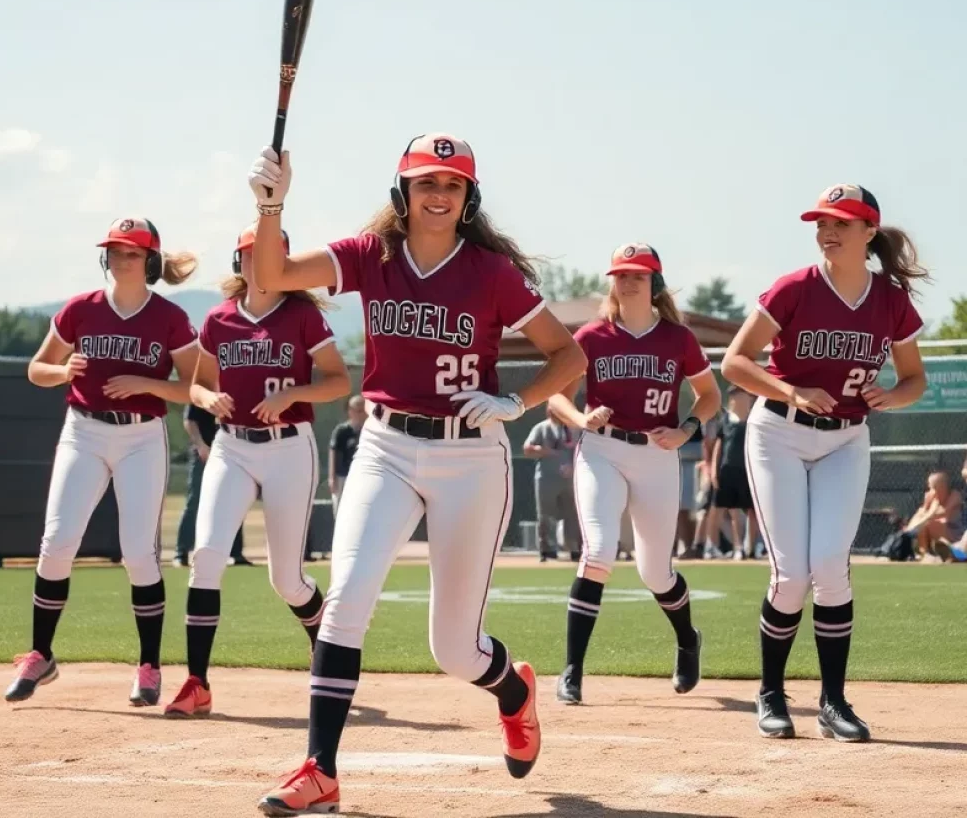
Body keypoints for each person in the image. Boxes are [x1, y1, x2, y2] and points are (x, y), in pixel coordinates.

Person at [246, 134, 586, 815]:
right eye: (426, 182)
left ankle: (514, 694)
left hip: (470, 457)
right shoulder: (371, 256)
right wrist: (273, 206)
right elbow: (270, 278)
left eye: (453, 185)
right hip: (387, 447)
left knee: (455, 649)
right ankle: (322, 769)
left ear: (469, 199)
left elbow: (568, 355)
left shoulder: (489, 272)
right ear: (402, 191)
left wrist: (515, 402)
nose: (439, 195)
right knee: (345, 602)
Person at [722, 184, 927, 742]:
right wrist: (791, 391)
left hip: (846, 439)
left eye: (841, 221)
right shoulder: (795, 287)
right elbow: (736, 363)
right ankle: (770, 692)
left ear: (869, 232)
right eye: (820, 222)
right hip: (779, 435)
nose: (827, 230)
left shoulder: (890, 299)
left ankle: (834, 702)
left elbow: (915, 379)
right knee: (792, 574)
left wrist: (896, 395)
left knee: (831, 564)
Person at [5, 218, 200, 707]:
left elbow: (198, 387)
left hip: (140, 436)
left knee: (138, 551)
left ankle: (150, 665)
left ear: (150, 262)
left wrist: (149, 384)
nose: (120, 258)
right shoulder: (81, 309)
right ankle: (40, 654)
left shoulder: (170, 318)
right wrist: (62, 369)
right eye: (114, 249)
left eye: (132, 252)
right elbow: (37, 370)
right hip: (84, 430)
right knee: (57, 541)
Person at [163, 225, 350, 718]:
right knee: (205, 555)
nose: (260, 262)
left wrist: (293, 394)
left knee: (287, 580)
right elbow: (197, 388)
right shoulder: (220, 318)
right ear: (239, 261)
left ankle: (323, 643)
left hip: (289, 448)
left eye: (270, 255)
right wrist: (208, 398)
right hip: (233, 446)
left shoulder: (303, 314)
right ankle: (197, 682)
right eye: (251, 254)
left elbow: (338, 380)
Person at [548, 243, 722, 706]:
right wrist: (581, 419)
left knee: (656, 571)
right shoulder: (592, 336)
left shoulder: (677, 338)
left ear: (655, 284)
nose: (627, 282)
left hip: (656, 452)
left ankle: (687, 640)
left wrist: (687, 429)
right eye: (621, 274)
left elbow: (709, 395)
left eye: (638, 275)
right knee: (599, 550)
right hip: (603, 448)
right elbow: (556, 397)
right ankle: (573, 671)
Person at [174, 402, 249, 568]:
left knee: (235, 501)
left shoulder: (234, 387)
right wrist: (201, 446)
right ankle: (181, 553)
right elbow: (189, 421)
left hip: (231, 453)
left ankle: (235, 554)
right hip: (204, 453)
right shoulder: (203, 388)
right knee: (195, 502)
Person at [523, 404, 580, 561]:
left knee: (574, 516)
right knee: (546, 515)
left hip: (571, 480)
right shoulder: (541, 428)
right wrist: (546, 451)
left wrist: (574, 467)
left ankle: (575, 549)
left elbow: (584, 450)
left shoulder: (576, 429)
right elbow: (527, 449)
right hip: (547, 478)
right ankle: (547, 550)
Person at [707, 386, 759, 560]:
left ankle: (750, 547)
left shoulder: (754, 419)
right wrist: (714, 471)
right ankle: (737, 548)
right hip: (728, 470)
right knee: (733, 511)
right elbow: (718, 447)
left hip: (749, 470)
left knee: (752, 511)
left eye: (740, 394)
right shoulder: (726, 420)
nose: (737, 398)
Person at [903, 470, 964, 558]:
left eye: (932, 487)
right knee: (924, 524)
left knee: (931, 524)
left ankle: (953, 553)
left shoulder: (955, 496)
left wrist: (926, 517)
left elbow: (943, 514)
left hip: (955, 535)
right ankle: (925, 554)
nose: (930, 489)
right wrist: (911, 527)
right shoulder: (930, 496)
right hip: (935, 537)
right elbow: (920, 513)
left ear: (942, 487)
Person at [328, 395, 366, 516]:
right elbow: (333, 452)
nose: (360, 414)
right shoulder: (341, 430)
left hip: (362, 477)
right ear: (350, 411)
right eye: (357, 410)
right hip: (343, 476)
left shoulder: (369, 431)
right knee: (340, 512)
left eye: (363, 410)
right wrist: (332, 478)